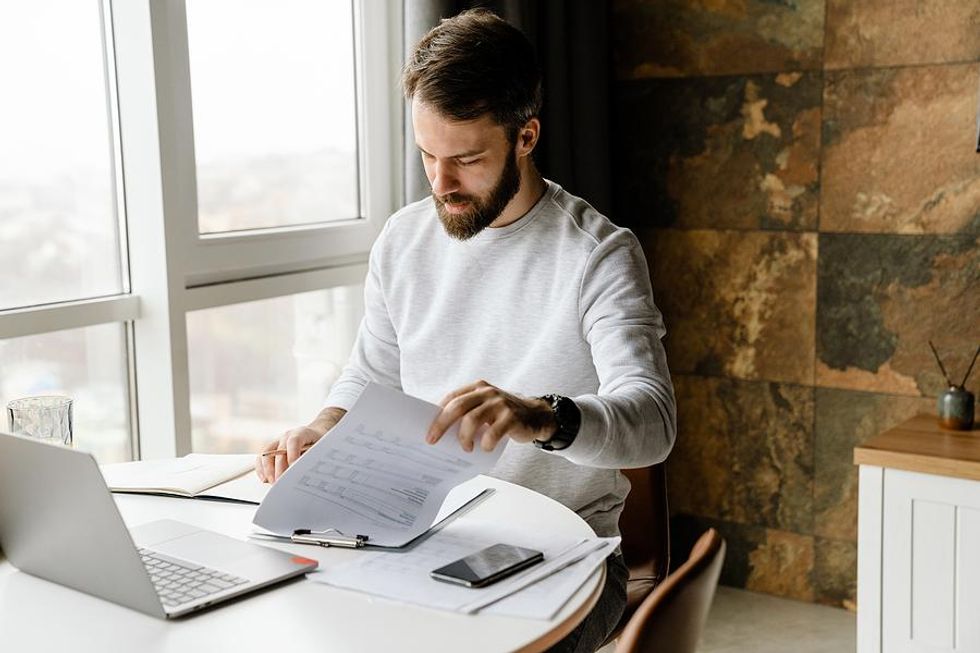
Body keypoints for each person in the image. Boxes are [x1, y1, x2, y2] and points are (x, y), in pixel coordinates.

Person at [255, 9, 675, 652]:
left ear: (526, 135)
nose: (441, 184)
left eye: (467, 159)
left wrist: (542, 416)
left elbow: (654, 422)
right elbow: (370, 372)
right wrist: (323, 425)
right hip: (422, 533)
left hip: (564, 558)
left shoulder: (598, 254)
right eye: (427, 155)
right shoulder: (402, 238)